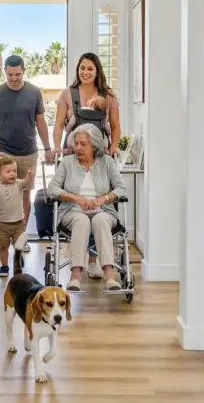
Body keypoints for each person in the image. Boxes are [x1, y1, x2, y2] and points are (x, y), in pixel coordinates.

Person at [48, 52, 122, 279]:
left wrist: (114, 147)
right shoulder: (67, 94)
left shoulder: (107, 95)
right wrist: (57, 147)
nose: (85, 72)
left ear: (97, 71)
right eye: (82, 68)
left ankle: (93, 261)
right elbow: (59, 124)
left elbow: (116, 126)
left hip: (99, 157)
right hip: (72, 152)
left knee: (98, 197)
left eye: (90, 68)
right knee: (78, 200)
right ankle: (78, 267)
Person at [0, 55, 52, 255]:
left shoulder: (34, 92)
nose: (14, 78)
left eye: (18, 74)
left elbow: (40, 122)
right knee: (2, 195)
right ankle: (0, 240)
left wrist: (47, 148)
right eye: (10, 74)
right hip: (3, 150)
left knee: (24, 195)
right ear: (5, 72)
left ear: (24, 71)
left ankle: (21, 238)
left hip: (28, 151)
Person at [47, 124, 128, 292]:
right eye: (76, 143)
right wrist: (75, 197)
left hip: (103, 211)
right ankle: (75, 277)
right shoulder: (67, 163)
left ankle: (110, 276)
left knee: (100, 220)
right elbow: (52, 188)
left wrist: (102, 200)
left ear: (95, 145)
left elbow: (121, 188)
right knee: (82, 220)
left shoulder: (107, 162)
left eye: (83, 144)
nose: (78, 148)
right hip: (72, 211)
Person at [0, 157, 35, 277]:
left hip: (18, 223)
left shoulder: (18, 184)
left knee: (19, 245)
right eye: (8, 171)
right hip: (2, 224)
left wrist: (30, 175)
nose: (13, 174)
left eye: (14, 171)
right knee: (3, 247)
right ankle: (4, 266)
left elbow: (26, 182)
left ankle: (18, 258)